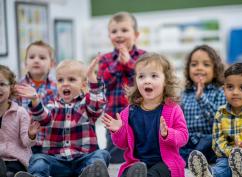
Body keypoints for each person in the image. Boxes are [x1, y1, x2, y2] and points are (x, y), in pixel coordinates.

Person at [15, 59, 110, 177]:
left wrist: (92, 78)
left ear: (83, 84)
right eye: (60, 80)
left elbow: (97, 103)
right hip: (57, 161)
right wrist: (35, 100)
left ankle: (92, 173)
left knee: (101, 154)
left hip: (83, 159)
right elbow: (43, 117)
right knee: (38, 159)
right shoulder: (52, 105)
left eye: (71, 79)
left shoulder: (87, 104)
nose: (65, 83)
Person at [102, 53, 189, 177]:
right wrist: (118, 131)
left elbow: (184, 137)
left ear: (165, 81)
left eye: (154, 76)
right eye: (141, 76)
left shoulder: (173, 109)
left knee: (158, 173)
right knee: (126, 172)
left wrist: (168, 133)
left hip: (165, 162)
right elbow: (122, 144)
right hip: (137, 162)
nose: (147, 81)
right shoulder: (128, 112)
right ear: (136, 80)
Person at [188, 63, 242, 177]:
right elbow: (218, 144)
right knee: (222, 167)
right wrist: (233, 153)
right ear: (224, 89)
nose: (235, 92)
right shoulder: (220, 114)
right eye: (230, 87)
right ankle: (209, 174)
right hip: (227, 156)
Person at [96, 11, 146, 163]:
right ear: (109, 36)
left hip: (140, 114)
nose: (119, 35)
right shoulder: (105, 59)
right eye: (114, 31)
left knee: (140, 151)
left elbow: (145, 81)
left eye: (124, 30)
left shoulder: (144, 57)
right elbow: (102, 84)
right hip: (113, 115)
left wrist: (130, 64)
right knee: (115, 154)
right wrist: (118, 64)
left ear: (136, 34)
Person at [180, 45, 226, 164]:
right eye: (194, 64)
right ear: (188, 69)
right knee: (169, 145)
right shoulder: (184, 94)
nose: (199, 68)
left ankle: (194, 157)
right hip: (190, 140)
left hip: (210, 139)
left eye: (206, 64)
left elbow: (219, 122)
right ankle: (193, 157)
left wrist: (201, 98)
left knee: (217, 142)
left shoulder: (220, 92)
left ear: (215, 70)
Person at [18, 40, 58, 154]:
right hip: (25, 141)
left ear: (52, 64)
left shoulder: (56, 87)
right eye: (31, 57)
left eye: (42, 57)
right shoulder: (18, 88)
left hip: (50, 142)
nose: (36, 60)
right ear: (25, 63)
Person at [0, 65, 39, 177]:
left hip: (16, 160)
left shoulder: (20, 112)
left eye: (2, 84)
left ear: (11, 87)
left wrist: (31, 135)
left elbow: (26, 143)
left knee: (11, 172)